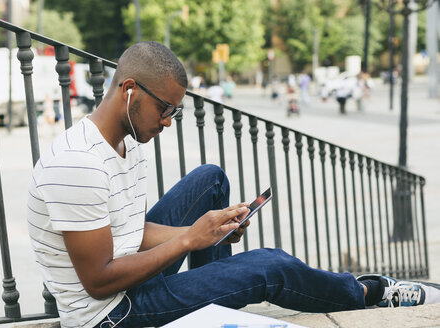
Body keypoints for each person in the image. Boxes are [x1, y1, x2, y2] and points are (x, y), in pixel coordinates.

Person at [27, 41, 440, 328]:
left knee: (210, 180)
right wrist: (189, 241)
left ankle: (213, 294)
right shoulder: (77, 164)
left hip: (129, 281)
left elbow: (132, 231)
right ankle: (369, 292)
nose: (168, 122)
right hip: (113, 313)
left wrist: (206, 232)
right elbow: (98, 280)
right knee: (269, 266)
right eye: (165, 109)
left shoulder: (125, 139)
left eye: (176, 112)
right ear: (129, 91)